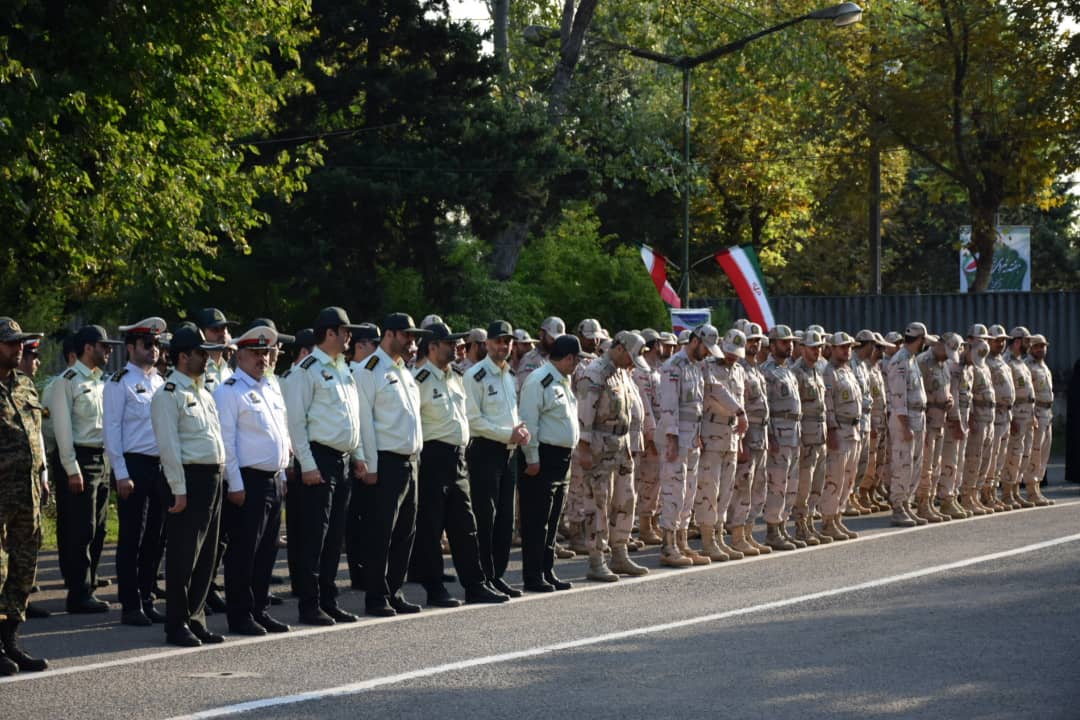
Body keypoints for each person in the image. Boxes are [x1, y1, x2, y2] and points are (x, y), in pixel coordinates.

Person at [411, 323, 508, 605]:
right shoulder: (419, 380)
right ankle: (435, 588)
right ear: (432, 347)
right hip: (432, 458)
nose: (456, 347)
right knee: (431, 527)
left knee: (466, 525)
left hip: (458, 458)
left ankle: (475, 584)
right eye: (448, 343)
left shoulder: (456, 377)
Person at [282, 307, 366, 626]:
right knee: (313, 538)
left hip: (341, 460)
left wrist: (357, 455)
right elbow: (296, 423)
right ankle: (309, 603)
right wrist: (307, 464)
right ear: (330, 333)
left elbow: (351, 418)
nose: (349, 337)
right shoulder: (307, 370)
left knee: (334, 537)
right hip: (318, 459)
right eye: (345, 331)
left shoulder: (343, 368)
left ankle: (328, 599)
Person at [150, 323, 227, 647]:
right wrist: (178, 489)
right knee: (183, 556)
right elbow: (168, 447)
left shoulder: (203, 392)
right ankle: (177, 623)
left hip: (212, 478)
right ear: (183, 356)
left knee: (207, 555)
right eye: (200, 353)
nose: (207, 359)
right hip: (189, 481)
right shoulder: (169, 395)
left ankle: (196, 619)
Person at [214, 324, 292, 635]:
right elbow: (227, 442)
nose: (263, 359)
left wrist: (283, 472)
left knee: (267, 550)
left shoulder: (270, 387)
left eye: (266, 352)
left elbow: (281, 435)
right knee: (244, 552)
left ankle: (260, 608)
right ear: (240, 355)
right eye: (256, 353)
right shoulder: (229, 390)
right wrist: (235, 484)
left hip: (273, 480)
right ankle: (240, 614)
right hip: (247, 481)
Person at [354, 314, 426, 617]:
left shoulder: (404, 371)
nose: (412, 341)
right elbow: (364, 420)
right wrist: (369, 464)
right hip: (385, 460)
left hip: (410, 460)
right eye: (407, 335)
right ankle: (376, 595)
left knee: (405, 531)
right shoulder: (369, 369)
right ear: (390, 334)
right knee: (381, 531)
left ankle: (394, 589)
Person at [50, 324, 122, 613]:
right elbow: (62, 429)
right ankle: (77, 592)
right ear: (88, 348)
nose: (108, 351)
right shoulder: (67, 381)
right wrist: (71, 467)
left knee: (100, 526)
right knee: (82, 527)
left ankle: (89, 584)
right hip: (80, 457)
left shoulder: (101, 381)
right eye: (104, 346)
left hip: (101, 457)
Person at [104, 317, 168, 626]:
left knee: (155, 537)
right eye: (147, 344)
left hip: (159, 466)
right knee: (133, 537)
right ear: (131, 348)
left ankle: (147, 597)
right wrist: (121, 472)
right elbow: (112, 430)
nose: (153, 349)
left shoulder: (160, 382)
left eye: (156, 344)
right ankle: (130, 604)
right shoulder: (119, 382)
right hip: (134, 465)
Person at [463, 320, 530, 599]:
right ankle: (481, 578)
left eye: (508, 342)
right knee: (485, 517)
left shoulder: (508, 374)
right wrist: (508, 433)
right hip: (485, 452)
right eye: (498, 341)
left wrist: (519, 430)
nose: (503, 346)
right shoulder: (475, 375)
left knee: (504, 519)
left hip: (509, 452)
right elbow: (474, 420)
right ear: (486, 344)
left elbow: (509, 413)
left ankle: (497, 575)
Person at [578, 331, 652, 580]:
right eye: (630, 357)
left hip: (621, 445)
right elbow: (585, 413)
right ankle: (596, 559)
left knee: (625, 500)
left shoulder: (622, 372)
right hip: (600, 445)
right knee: (598, 502)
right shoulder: (595, 372)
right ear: (619, 348)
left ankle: (619, 553)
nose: (632, 363)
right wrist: (585, 448)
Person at [0, 317, 49, 675]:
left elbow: (36, 435)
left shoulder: (25, 386)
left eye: (21, 343)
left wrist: (44, 474)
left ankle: (10, 640)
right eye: (11, 343)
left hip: (29, 494)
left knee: (22, 569)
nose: (19, 349)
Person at [519, 334, 584, 591]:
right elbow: (529, 422)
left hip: (561, 458)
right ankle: (533, 576)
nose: (577, 364)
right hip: (543, 458)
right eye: (576, 360)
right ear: (568, 358)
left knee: (553, 519)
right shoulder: (539, 381)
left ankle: (547, 570)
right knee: (537, 520)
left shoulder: (562, 380)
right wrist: (532, 458)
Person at [657, 324, 717, 567]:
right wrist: (672, 440)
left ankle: (682, 541)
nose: (708, 353)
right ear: (695, 341)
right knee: (674, 491)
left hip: (692, 437)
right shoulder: (674, 366)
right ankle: (667, 545)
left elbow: (698, 406)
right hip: (677, 438)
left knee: (689, 491)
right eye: (706, 347)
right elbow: (669, 406)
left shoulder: (696, 366)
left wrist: (699, 435)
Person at [696, 329, 749, 562]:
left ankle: (718, 536)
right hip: (712, 431)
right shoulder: (708, 366)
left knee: (727, 490)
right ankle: (707, 539)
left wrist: (740, 438)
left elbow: (741, 398)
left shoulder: (739, 370)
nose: (731, 357)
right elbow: (718, 392)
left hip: (731, 434)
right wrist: (740, 412)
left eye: (736, 354)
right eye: (729, 352)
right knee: (710, 488)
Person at [729, 322, 772, 556]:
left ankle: (748, 532)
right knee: (743, 486)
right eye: (750, 340)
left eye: (757, 340)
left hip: (761, 434)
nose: (755, 344)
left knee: (758, 486)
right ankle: (736, 535)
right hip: (747, 434)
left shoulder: (757, 368)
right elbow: (739, 408)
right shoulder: (740, 369)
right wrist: (741, 441)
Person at [344, 323, 380, 590]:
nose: (377, 350)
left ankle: (366, 570)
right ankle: (359, 573)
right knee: (357, 519)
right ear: (360, 346)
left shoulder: (368, 373)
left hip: (366, 454)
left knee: (368, 517)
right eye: (373, 344)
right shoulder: (352, 372)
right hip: (355, 456)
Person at [887, 323, 932, 527]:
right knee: (903, 464)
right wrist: (905, 427)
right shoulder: (900, 361)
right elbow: (898, 398)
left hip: (917, 416)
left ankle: (906, 504)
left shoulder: (912, 360)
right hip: (904, 419)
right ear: (920, 339)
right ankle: (897, 507)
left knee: (915, 465)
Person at [761, 325, 801, 551]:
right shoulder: (767, 370)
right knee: (777, 483)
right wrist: (770, 436)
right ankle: (772, 530)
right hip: (779, 431)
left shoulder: (788, 370)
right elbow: (764, 407)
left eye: (791, 342)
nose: (790, 345)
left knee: (791, 483)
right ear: (773, 344)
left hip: (794, 431)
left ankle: (783, 524)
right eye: (785, 342)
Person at [788, 329, 828, 546]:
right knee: (804, 484)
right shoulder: (797, 372)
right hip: (806, 437)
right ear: (802, 348)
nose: (817, 351)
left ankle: (811, 521)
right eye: (813, 347)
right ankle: (800, 525)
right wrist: (801, 440)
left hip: (820, 436)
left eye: (819, 347)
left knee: (817, 483)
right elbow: (797, 409)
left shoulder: (817, 371)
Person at [821, 331, 861, 541]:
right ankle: (828, 521)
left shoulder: (848, 370)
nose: (847, 350)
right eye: (842, 347)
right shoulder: (829, 372)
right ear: (832, 349)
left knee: (848, 478)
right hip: (840, 430)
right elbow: (827, 405)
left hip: (853, 430)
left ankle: (838, 517)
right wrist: (832, 431)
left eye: (849, 347)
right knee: (835, 478)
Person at [914, 335, 953, 523]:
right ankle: (921, 503)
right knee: (926, 465)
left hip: (940, 420)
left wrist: (948, 399)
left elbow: (944, 388)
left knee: (935, 465)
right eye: (946, 351)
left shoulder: (944, 364)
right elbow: (916, 392)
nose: (948, 356)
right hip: (928, 420)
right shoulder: (923, 362)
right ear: (938, 345)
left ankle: (929, 501)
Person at [631, 330, 664, 546]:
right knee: (645, 481)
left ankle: (652, 522)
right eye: (659, 344)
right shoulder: (640, 372)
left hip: (657, 431)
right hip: (646, 435)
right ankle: (643, 526)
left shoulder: (652, 370)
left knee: (655, 482)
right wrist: (651, 437)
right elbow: (646, 407)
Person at [937, 333, 972, 519]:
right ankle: (946, 499)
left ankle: (954, 496)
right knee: (950, 460)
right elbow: (953, 398)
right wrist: (956, 421)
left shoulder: (967, 368)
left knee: (959, 460)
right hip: (952, 421)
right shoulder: (953, 367)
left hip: (964, 419)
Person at [961, 329, 995, 515]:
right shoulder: (969, 364)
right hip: (978, 416)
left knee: (984, 459)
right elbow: (968, 393)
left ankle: (975, 494)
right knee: (973, 458)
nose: (984, 342)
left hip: (989, 415)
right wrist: (972, 416)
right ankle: (966, 495)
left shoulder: (984, 364)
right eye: (981, 339)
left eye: (986, 339)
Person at [1002, 327, 1036, 509]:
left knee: (1024, 454)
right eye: (1026, 341)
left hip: (1027, 414)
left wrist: (1032, 416)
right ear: (1017, 341)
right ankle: (1007, 492)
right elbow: (1009, 393)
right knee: (1013, 454)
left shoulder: (1021, 362)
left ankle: (1015, 489)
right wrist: (1013, 418)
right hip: (1017, 414)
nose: (1029, 345)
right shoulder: (1007, 362)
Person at [983, 324, 1014, 511]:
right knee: (991, 456)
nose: (1001, 343)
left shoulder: (1003, 361)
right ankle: (986, 493)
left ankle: (994, 492)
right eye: (997, 340)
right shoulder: (985, 362)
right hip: (993, 414)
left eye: (1003, 340)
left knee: (1000, 456)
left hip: (1006, 414)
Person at [1024, 334, 1055, 505]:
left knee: (1044, 453)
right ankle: (1031, 488)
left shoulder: (1043, 366)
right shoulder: (1028, 366)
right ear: (1030, 348)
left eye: (1043, 346)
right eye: (1037, 346)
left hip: (1047, 413)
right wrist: (1032, 415)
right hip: (1036, 411)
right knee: (1034, 452)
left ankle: (1038, 485)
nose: (1041, 349)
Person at [194, 308, 238, 394]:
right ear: (201, 334)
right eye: (215, 329)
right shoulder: (196, 368)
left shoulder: (229, 369)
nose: (222, 333)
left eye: (223, 328)